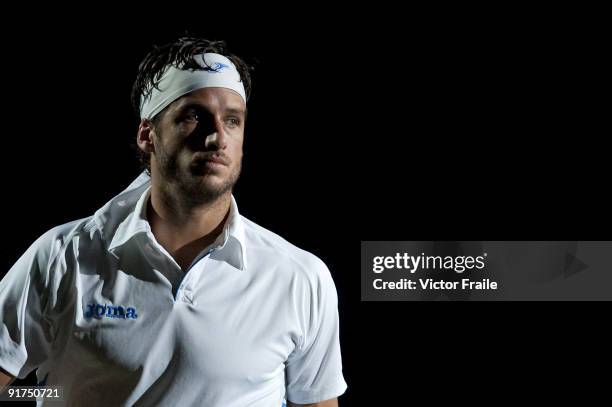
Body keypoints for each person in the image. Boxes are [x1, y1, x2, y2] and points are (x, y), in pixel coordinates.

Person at [0, 37, 347, 406]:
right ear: (147, 135)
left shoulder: (300, 277)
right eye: (193, 115)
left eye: (233, 120)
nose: (217, 137)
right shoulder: (63, 256)